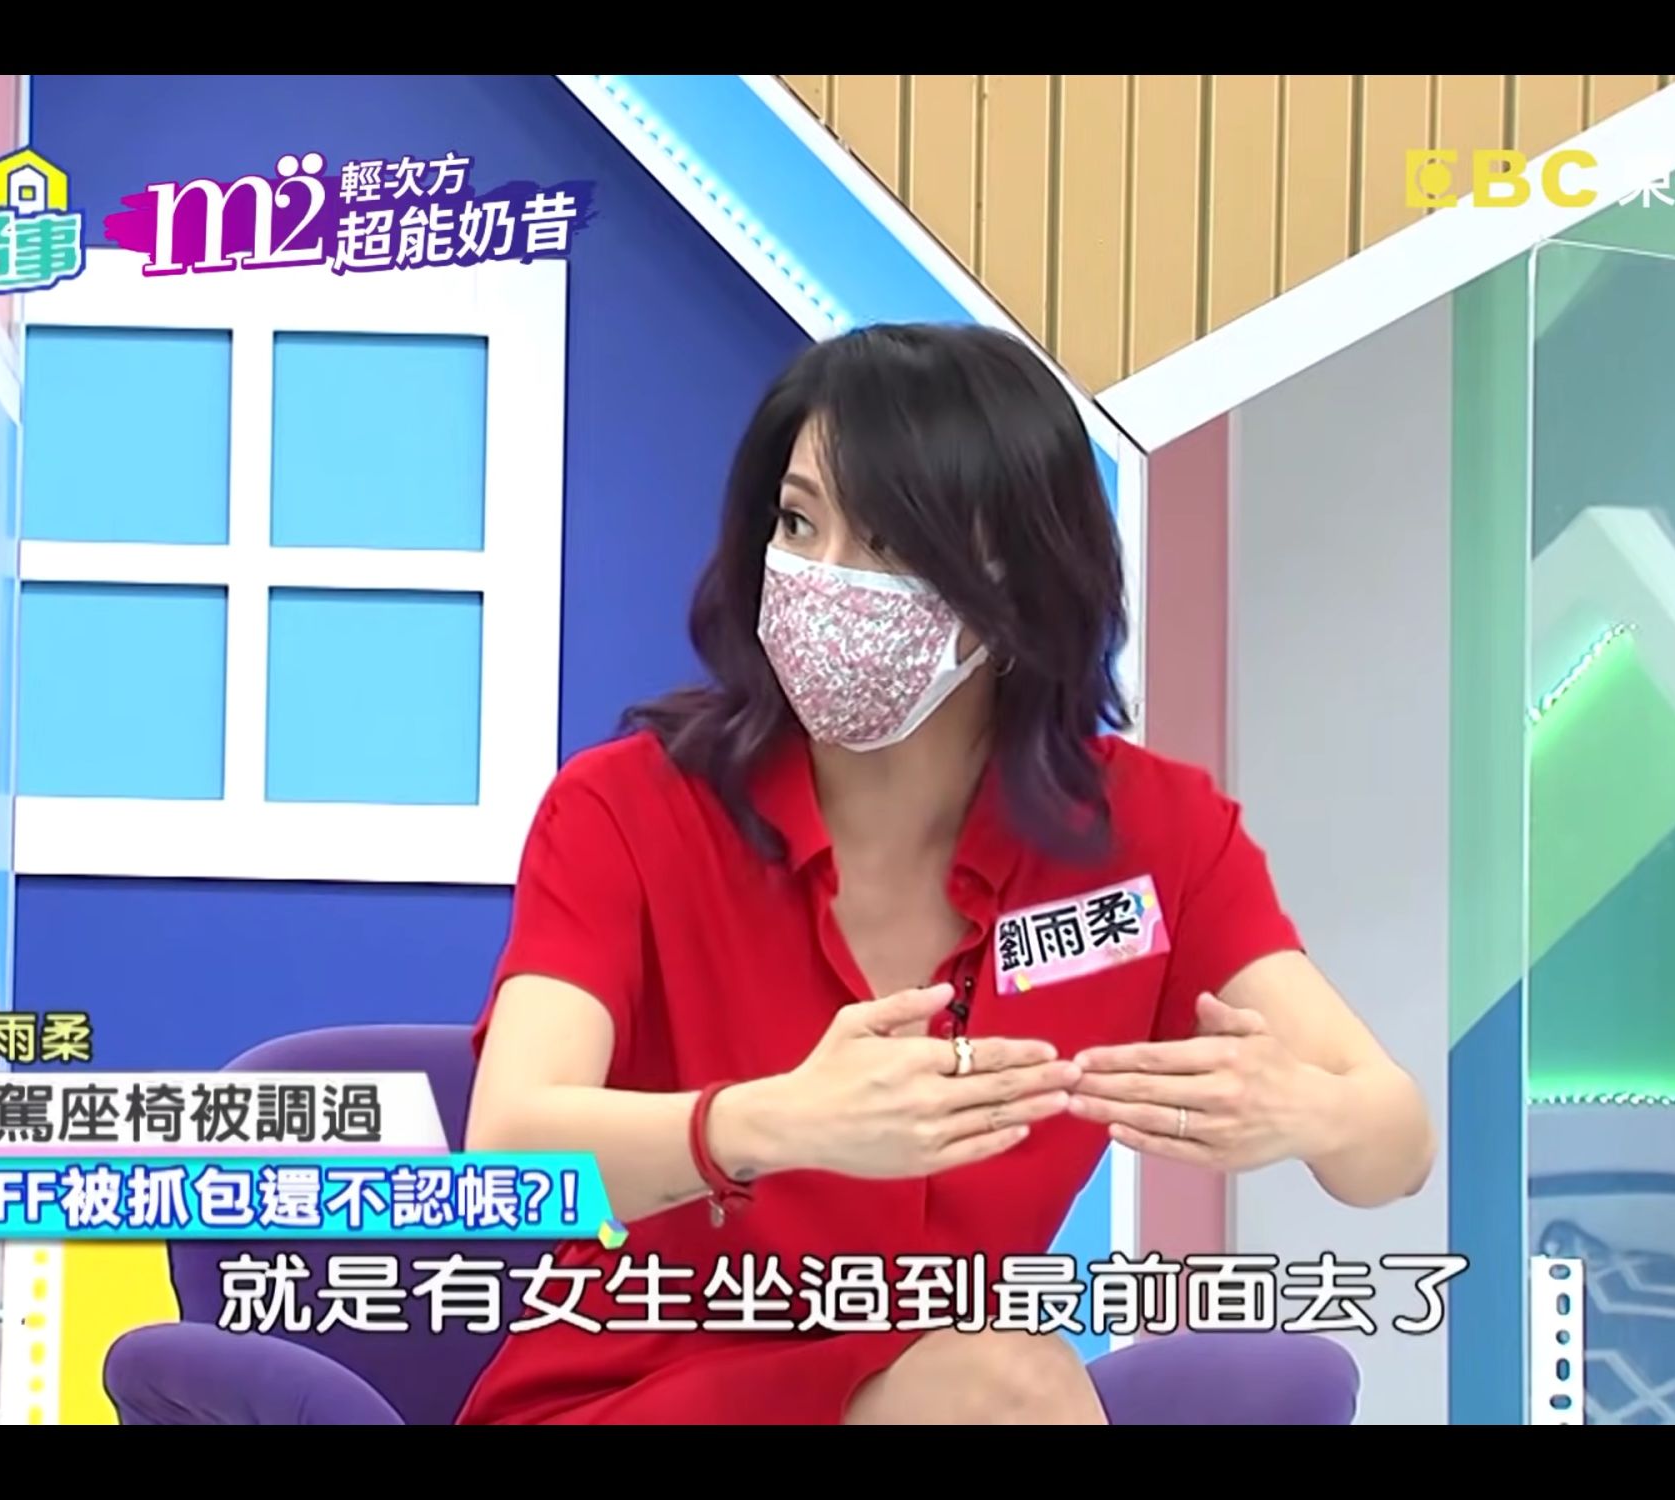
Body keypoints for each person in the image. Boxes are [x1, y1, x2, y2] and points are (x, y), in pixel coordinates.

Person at [457, 323, 1435, 1426]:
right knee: (1003, 1386)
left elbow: (1394, 1146)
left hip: (953, 1391)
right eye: (798, 523)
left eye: (889, 545)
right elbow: (510, 1157)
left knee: (1006, 1382)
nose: (826, 581)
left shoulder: (1150, 840)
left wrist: (1302, 1111)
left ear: (1020, 582)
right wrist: (770, 1123)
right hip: (633, 1396)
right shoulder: (627, 809)